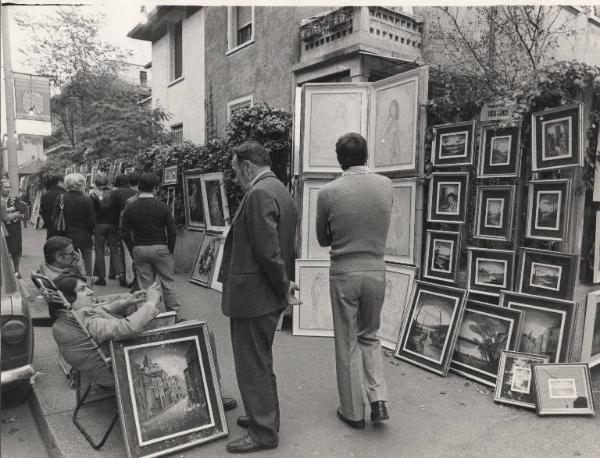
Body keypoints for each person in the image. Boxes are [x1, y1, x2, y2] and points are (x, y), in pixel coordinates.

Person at [220, 139, 299, 454]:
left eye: (237, 171)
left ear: (247, 166)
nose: (237, 176)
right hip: (264, 293)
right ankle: (263, 417)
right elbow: (278, 247)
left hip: (255, 296)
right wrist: (284, 284)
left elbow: (268, 252)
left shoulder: (259, 192)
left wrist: (283, 286)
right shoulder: (278, 188)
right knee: (260, 361)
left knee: (252, 365)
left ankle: (263, 432)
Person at [316, 132, 392, 429]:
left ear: (339, 159)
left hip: (344, 272)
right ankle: (379, 399)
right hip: (376, 270)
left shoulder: (328, 193)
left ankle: (353, 412)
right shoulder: (385, 185)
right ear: (367, 155)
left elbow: (323, 239)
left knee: (347, 341)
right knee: (370, 335)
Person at [52, 275, 161, 387]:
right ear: (68, 298)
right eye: (82, 289)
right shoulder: (88, 320)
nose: (90, 292)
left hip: (94, 369)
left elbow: (101, 309)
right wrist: (150, 303)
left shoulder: (67, 317)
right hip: (113, 371)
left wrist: (127, 302)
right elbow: (128, 328)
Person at [121, 173, 179, 313]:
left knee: (145, 285)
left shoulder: (130, 207)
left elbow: (124, 233)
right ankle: (173, 313)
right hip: (160, 247)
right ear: (156, 188)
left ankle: (147, 315)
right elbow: (172, 231)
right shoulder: (162, 207)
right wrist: (169, 248)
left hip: (139, 248)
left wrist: (132, 249)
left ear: (139, 188)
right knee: (168, 283)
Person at [52, 173, 95, 276]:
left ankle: (74, 284)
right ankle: (89, 284)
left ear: (67, 184)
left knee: (70, 262)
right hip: (85, 236)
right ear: (81, 184)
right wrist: (90, 232)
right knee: (87, 262)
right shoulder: (87, 200)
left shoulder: (61, 198)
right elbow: (92, 221)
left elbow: (54, 218)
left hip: (67, 237)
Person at [90, 172, 125, 286]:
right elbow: (120, 209)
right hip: (113, 224)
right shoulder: (115, 193)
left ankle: (101, 278)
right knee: (114, 249)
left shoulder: (93, 194)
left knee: (99, 251)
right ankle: (121, 274)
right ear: (107, 181)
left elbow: (91, 212)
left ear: (95, 182)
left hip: (99, 225)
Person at [1, 179, 24, 277]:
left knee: (15, 249)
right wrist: (9, 211)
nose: (8, 189)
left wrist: (7, 210)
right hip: (2, 227)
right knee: (3, 249)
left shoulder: (14, 198)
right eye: (5, 187)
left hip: (14, 227)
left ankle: (17, 270)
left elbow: (20, 209)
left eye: (9, 187)